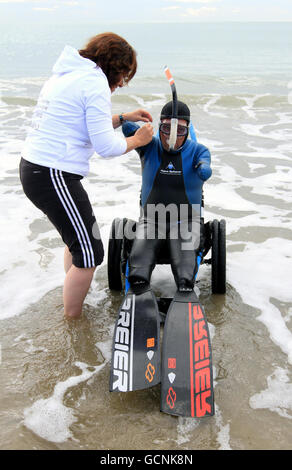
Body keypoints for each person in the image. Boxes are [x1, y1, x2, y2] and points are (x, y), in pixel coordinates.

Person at [19, 32, 153, 319]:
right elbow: (106, 146)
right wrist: (138, 141)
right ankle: (73, 320)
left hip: (38, 169)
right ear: (114, 67)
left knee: (78, 244)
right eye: (123, 75)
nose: (120, 83)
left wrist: (124, 118)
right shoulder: (94, 82)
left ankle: (74, 297)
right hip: (51, 173)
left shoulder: (69, 74)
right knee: (90, 252)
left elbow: (85, 125)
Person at [121, 100, 212, 293]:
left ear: (187, 131)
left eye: (179, 131)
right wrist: (129, 120)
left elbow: (205, 161)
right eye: (166, 129)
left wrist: (204, 167)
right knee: (138, 269)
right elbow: (127, 128)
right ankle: (138, 296)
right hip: (151, 220)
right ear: (159, 127)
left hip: (187, 220)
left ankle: (185, 295)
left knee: (185, 275)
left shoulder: (198, 150)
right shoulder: (149, 146)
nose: (172, 136)